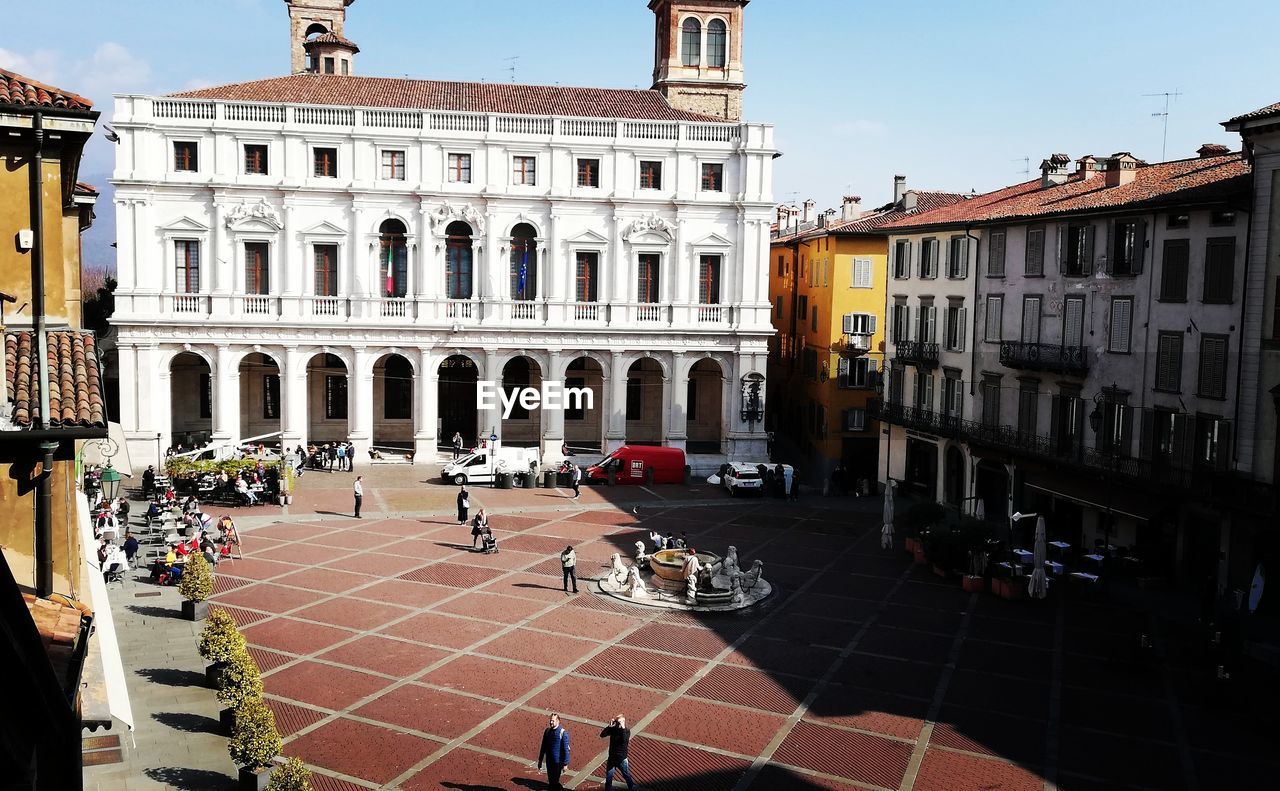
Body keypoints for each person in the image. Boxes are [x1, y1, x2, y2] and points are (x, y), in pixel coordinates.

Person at [599, 714, 637, 791]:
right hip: (612, 758)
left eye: (619, 722)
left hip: (621, 759)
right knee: (609, 777)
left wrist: (622, 728)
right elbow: (602, 735)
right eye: (616, 722)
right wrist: (609, 727)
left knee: (626, 775)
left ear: (623, 723)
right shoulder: (613, 729)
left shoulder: (626, 731)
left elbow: (624, 740)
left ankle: (632, 788)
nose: (617, 724)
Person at [536, 713, 570, 791]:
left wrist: (565, 764)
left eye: (553, 721)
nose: (551, 722)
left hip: (558, 762)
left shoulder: (563, 733)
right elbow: (543, 746)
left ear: (558, 721)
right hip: (549, 761)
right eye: (550, 720)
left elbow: (566, 749)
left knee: (554, 781)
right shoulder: (547, 731)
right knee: (551, 780)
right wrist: (540, 760)